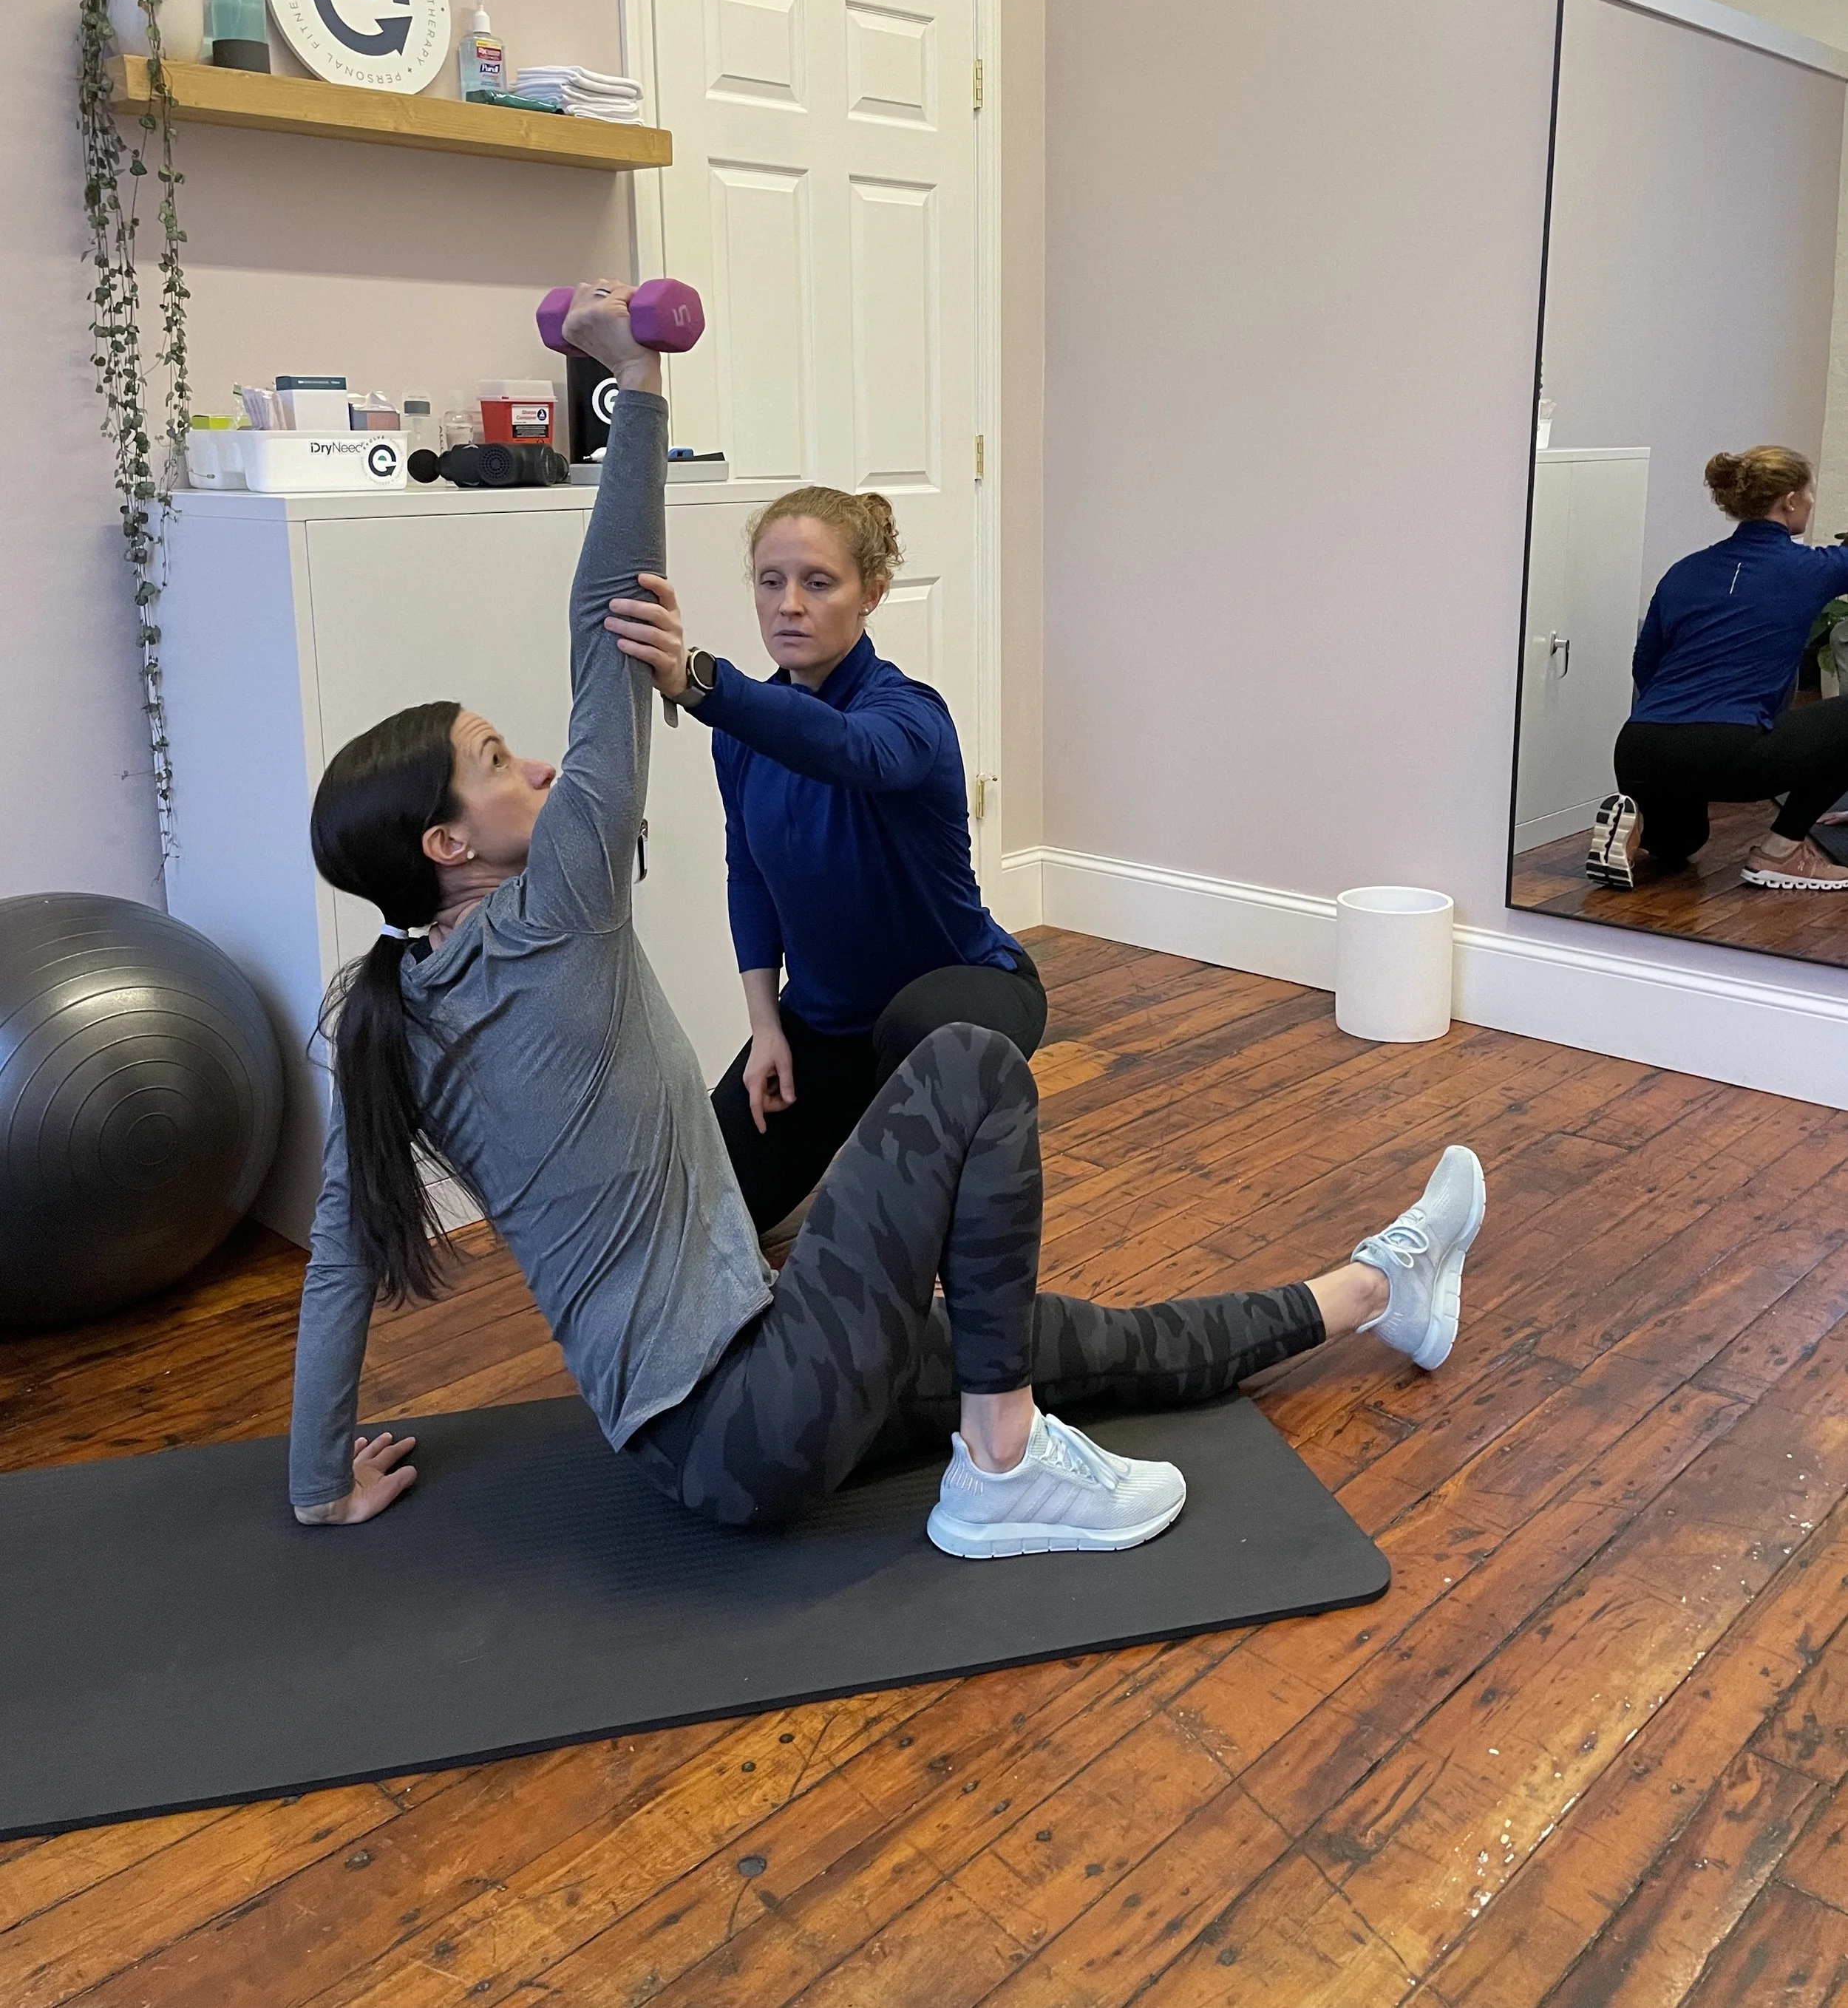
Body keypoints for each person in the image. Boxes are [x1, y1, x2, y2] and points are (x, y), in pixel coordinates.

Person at [291, 282, 1487, 1561]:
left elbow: (338, 1259)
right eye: (496, 759)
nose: (537, 767)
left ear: (867, 594)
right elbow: (607, 629)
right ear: (447, 846)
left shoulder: (389, 1014)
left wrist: (319, 1477)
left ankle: (1377, 1289)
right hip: (754, 1415)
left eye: (817, 580)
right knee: (967, 1069)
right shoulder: (551, 912)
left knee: (1059, 1338)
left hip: (720, 1418)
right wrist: (635, 380)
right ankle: (1004, 1461)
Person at [602, 486, 1040, 1244]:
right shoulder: (740, 735)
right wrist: (766, 1026)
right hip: (827, 1025)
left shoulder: (909, 714)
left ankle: (895, 1214)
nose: (789, 606)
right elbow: (749, 874)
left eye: (818, 582)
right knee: (687, 1220)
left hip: (968, 998)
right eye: (771, 582)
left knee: (920, 1031)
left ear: (871, 593)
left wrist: (701, 682)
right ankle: (841, 1183)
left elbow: (849, 752)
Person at [1586, 446, 1848, 894]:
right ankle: (1781, 853)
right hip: (1727, 749)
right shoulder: (1810, 569)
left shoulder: (1684, 571)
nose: (1809, 504)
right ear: (1789, 501)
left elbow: (1645, 662)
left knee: (1681, 845)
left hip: (1640, 746)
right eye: (1808, 495)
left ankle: (1636, 831)